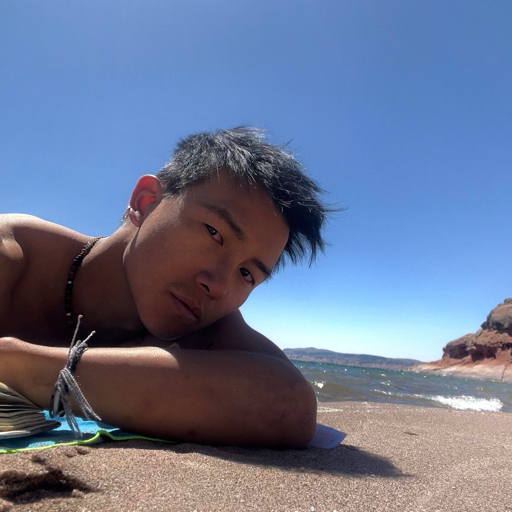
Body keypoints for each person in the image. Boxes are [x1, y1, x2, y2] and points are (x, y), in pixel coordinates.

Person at [0, 127, 328, 448]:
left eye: (246, 273)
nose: (217, 285)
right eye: (214, 233)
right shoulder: (13, 258)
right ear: (146, 202)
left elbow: (292, 405)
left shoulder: (201, 321)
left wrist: (19, 366)